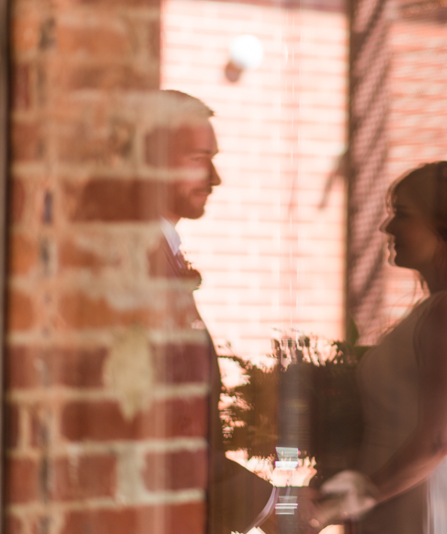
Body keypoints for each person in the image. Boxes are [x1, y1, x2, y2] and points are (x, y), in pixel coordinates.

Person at [311, 161, 447, 534]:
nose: (388, 227)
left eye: (402, 214)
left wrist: (336, 506)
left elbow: (437, 441)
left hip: (420, 513)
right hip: (401, 502)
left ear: (444, 227)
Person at [146, 89, 277, 534]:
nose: (216, 178)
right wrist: (268, 505)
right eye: (199, 158)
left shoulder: (161, 254)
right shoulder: (138, 262)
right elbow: (161, 430)